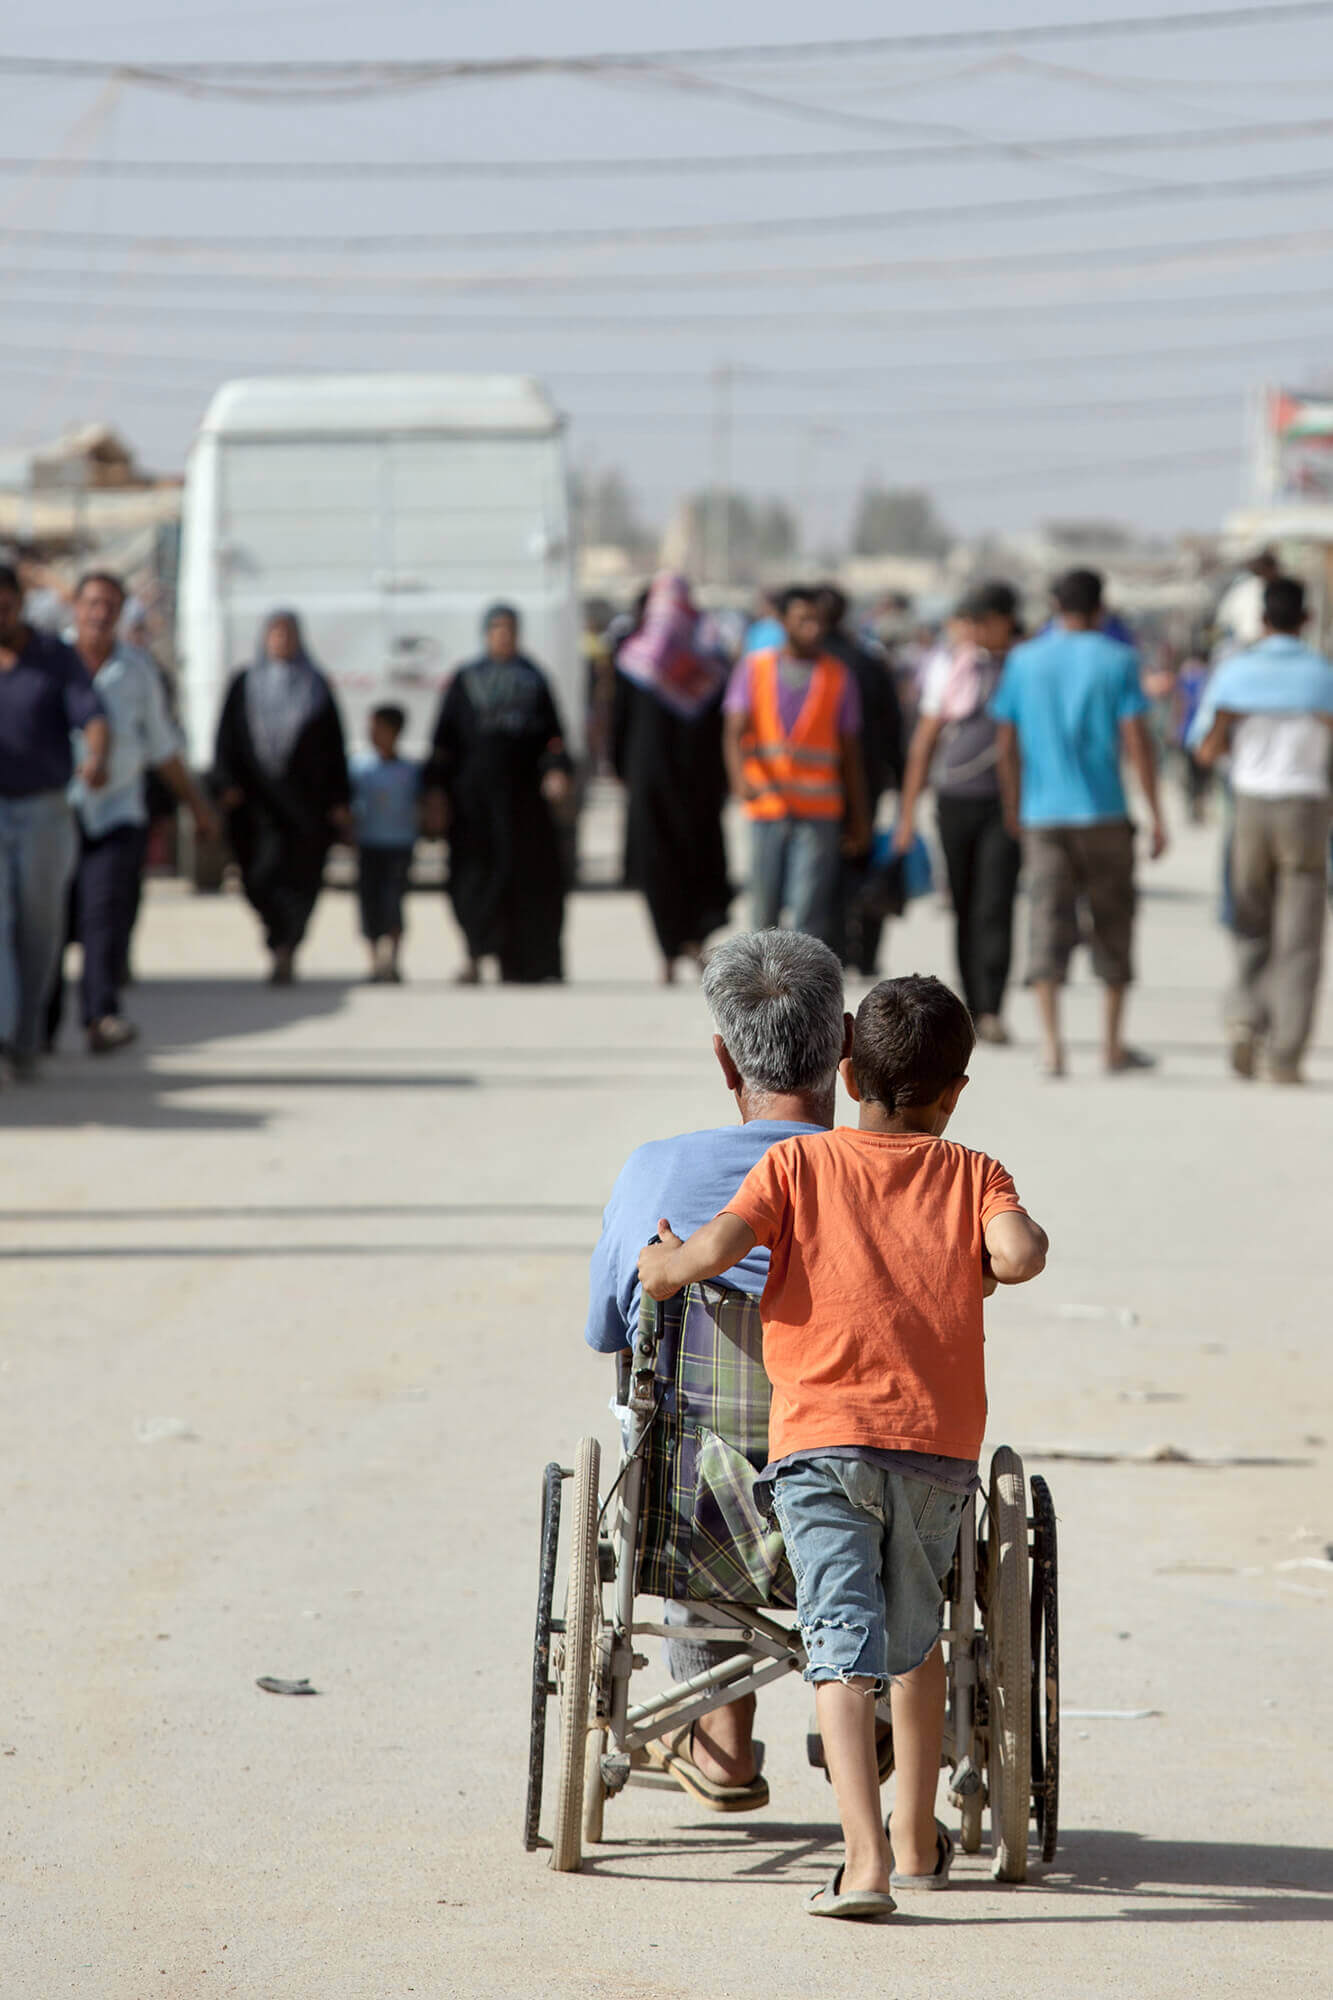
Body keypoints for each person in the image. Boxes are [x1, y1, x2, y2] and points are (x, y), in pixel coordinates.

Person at [638, 975, 1048, 1918]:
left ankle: (861, 1863)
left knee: (839, 1647)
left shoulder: (796, 1168)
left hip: (821, 1446)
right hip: (935, 1452)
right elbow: (1017, 1257)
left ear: (848, 1069)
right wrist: (993, 1253)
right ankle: (913, 1833)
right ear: (955, 1092)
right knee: (918, 1640)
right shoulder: (973, 1172)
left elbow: (703, 1257)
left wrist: (661, 1267)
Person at [587, 928, 852, 1811]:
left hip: (707, 1511)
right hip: (864, 1486)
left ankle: (720, 1736)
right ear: (842, 1045)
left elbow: (606, 1331)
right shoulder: (891, 1186)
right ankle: (880, 1708)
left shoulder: (655, 1170)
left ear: (722, 1055)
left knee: (681, 1432)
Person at [990, 567, 1168, 1077]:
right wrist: (1156, 813)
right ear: (1100, 609)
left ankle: (1053, 1047)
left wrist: (1012, 805)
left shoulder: (1024, 661)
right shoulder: (1118, 660)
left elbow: (1005, 742)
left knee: (1046, 922)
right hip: (1105, 813)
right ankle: (1111, 1045)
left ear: (1054, 606)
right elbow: (1136, 739)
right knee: (1113, 923)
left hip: (1043, 814)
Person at [48, 571, 219, 1054]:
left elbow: (163, 749)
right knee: (51, 922)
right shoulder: (50, 663)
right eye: (91, 604)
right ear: (75, 608)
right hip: (53, 816)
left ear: (122, 613)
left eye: (109, 605)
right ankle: (39, 1024)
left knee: (105, 917)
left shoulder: (138, 672)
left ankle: (101, 1015)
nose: (99, 614)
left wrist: (197, 808)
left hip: (117, 813)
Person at [1193, 576, 1333, 1084]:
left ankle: (1245, 1018)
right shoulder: (1323, 675)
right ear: (1307, 620)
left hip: (1250, 807)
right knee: (1300, 938)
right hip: (1307, 809)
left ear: (1262, 620)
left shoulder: (1236, 674)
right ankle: (1286, 1055)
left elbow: (1205, 750)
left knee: (1250, 920)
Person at [895, 581, 1023, 1043]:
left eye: (978, 623)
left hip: (1008, 805)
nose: (970, 632)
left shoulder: (1022, 665)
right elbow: (925, 740)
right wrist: (907, 814)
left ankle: (991, 1007)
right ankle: (970, 1003)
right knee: (966, 902)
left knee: (996, 903)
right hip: (956, 800)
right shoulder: (949, 667)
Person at [0, 563, 109, 1083]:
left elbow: (90, 713)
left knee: (39, 929)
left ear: (19, 603)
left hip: (43, 811)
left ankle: (25, 1037)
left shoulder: (52, 657)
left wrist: (95, 757)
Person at [424, 605, 572, 985]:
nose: (504, 636)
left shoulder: (533, 679)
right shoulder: (465, 679)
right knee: (472, 882)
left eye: (510, 629)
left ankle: (520, 964)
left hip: (522, 807)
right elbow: (443, 742)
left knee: (523, 884)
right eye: (497, 629)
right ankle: (474, 955)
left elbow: (553, 738)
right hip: (472, 807)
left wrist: (556, 770)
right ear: (486, 634)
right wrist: (435, 792)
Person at [723, 586, 870, 948]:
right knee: (763, 910)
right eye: (803, 619)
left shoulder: (837, 676)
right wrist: (739, 781)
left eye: (818, 621)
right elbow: (734, 731)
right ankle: (758, 992)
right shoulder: (754, 668)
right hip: (767, 806)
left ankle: (803, 995)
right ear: (783, 621)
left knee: (808, 912)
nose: (813, 628)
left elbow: (850, 753)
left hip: (819, 811)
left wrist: (859, 817)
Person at [213, 609, 351, 985]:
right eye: (275, 634)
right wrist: (224, 784)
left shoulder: (316, 686)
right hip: (255, 807)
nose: (281, 642)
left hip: (306, 806)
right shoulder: (244, 684)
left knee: (302, 878)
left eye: (288, 635)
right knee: (257, 875)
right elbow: (226, 739)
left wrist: (340, 800)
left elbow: (335, 746)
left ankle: (286, 946)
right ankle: (277, 935)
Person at [613, 572, 732, 984]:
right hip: (657, 781)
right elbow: (619, 719)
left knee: (697, 860)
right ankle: (668, 948)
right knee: (657, 864)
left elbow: (724, 724)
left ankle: (693, 941)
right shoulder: (633, 660)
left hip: (693, 782)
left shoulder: (709, 661)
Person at [814, 584, 904, 978]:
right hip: (865, 784)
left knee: (820, 875)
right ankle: (865, 953)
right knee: (864, 868)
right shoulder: (868, 662)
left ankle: (827, 952)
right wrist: (901, 781)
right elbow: (893, 729)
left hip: (813, 787)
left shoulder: (811, 663)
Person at [350, 703, 420, 984]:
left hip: (400, 844)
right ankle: (374, 960)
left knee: (394, 902)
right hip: (369, 843)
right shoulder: (360, 767)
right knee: (369, 902)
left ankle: (393, 958)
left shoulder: (409, 771)